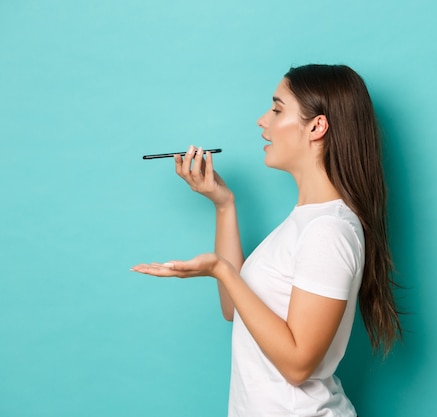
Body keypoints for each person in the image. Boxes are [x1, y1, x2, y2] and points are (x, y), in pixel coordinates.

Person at [131, 64, 402, 417]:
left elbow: (298, 364)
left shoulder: (328, 231)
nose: (263, 120)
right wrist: (224, 205)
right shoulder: (305, 222)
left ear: (317, 126)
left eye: (277, 109)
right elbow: (235, 309)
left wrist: (220, 270)